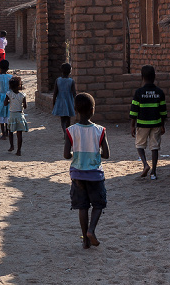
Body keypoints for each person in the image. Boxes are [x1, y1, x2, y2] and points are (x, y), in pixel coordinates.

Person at [64, 92, 110, 249]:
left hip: (77, 174)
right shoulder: (100, 130)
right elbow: (107, 154)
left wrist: (75, 153)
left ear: (75, 110)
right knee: (98, 204)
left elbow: (66, 155)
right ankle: (91, 230)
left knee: (82, 207)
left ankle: (85, 240)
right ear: (92, 110)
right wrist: (95, 151)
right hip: (95, 175)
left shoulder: (70, 130)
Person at [129, 65, 167, 180]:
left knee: (140, 145)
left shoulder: (139, 92)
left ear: (142, 77)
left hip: (142, 124)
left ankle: (145, 164)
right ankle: (154, 173)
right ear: (154, 77)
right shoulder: (160, 92)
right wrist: (162, 125)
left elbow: (134, 111)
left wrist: (132, 126)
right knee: (154, 147)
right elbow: (163, 112)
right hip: (156, 124)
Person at [4, 76, 28, 156]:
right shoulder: (23, 95)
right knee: (19, 134)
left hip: (12, 115)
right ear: (19, 86)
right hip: (20, 115)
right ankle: (19, 150)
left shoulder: (9, 94)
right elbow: (25, 106)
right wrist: (22, 103)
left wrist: (9, 101)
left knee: (10, 131)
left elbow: (5, 103)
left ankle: (11, 146)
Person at [52, 63, 76, 133]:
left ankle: (65, 132)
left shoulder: (58, 80)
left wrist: (54, 102)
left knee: (62, 120)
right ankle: (67, 132)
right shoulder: (71, 81)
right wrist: (76, 102)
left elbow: (55, 92)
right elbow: (74, 93)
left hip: (60, 102)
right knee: (68, 119)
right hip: (69, 102)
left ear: (61, 71)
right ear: (70, 71)